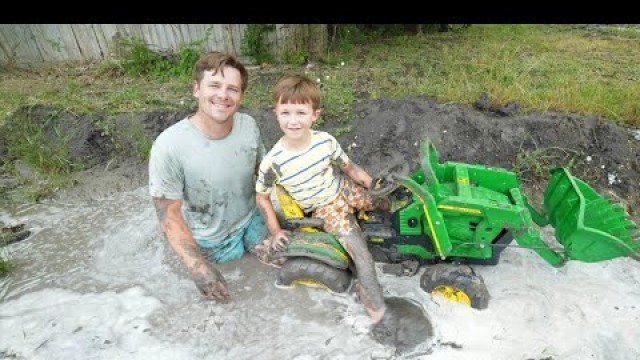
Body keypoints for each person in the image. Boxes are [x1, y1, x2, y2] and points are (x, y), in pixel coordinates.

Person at [254, 73, 388, 324]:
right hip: (325, 209)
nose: (293, 121)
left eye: (301, 113)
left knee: (392, 205)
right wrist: (275, 231)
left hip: (343, 189)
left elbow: (351, 169)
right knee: (362, 255)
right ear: (276, 112)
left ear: (314, 114)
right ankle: (377, 312)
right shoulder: (274, 161)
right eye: (286, 113)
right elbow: (262, 197)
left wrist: (374, 186)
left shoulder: (325, 142)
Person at [148, 51, 270, 303]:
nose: (223, 95)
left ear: (241, 96)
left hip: (251, 220)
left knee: (277, 267)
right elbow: (167, 214)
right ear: (196, 89)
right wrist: (197, 268)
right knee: (232, 303)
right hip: (212, 242)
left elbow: (263, 172)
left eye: (232, 89)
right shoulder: (169, 146)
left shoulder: (248, 125)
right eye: (214, 85)